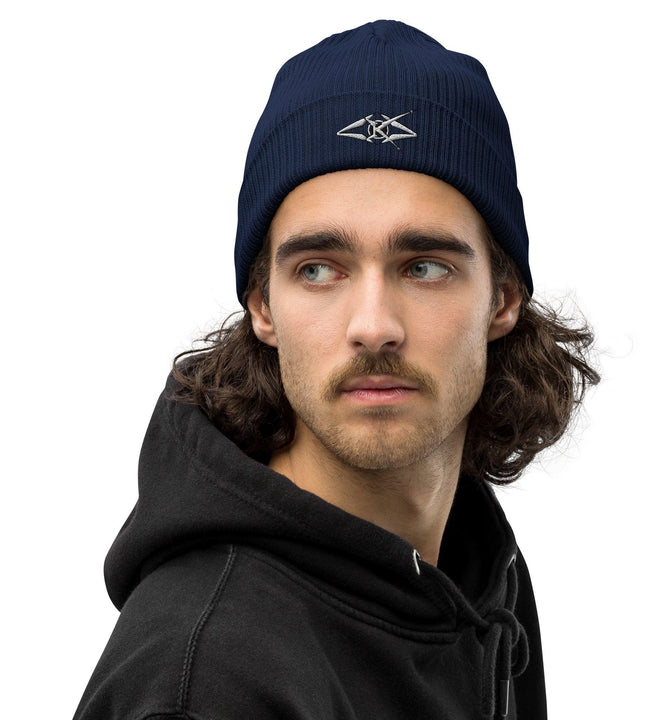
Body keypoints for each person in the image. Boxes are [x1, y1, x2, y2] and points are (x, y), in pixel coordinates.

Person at [73, 20, 599, 720]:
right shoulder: (206, 682)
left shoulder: (475, 574)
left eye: (425, 267)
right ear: (263, 305)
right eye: (319, 270)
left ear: (502, 298)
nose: (374, 325)